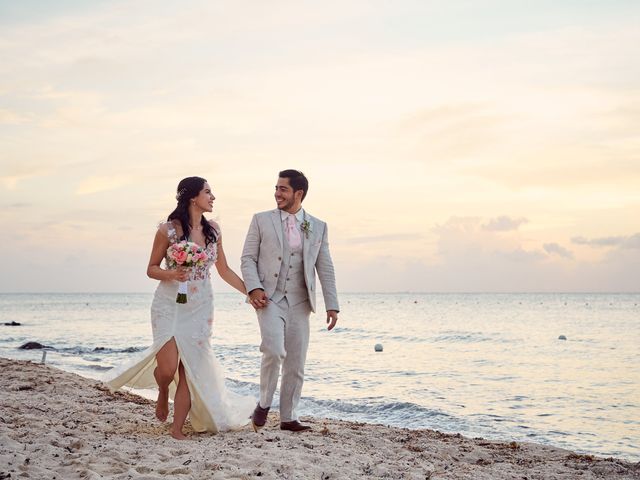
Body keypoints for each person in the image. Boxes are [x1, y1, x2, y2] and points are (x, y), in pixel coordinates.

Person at [106, 176, 255, 440]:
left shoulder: (214, 231)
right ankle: (163, 388)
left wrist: (251, 292)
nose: (213, 197)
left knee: (189, 370)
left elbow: (223, 270)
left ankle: (177, 429)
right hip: (169, 304)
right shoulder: (168, 230)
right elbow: (151, 269)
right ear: (192, 197)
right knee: (167, 368)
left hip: (200, 306)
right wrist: (172, 274)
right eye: (208, 192)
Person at [241, 169, 339, 432]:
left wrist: (332, 304)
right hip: (270, 298)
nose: (277, 194)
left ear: (299, 193)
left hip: (300, 300)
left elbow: (325, 266)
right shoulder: (261, 220)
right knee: (273, 350)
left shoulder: (318, 226)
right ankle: (263, 403)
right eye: (276, 188)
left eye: (283, 189)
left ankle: (288, 417)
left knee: (296, 361)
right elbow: (247, 258)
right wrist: (254, 288)